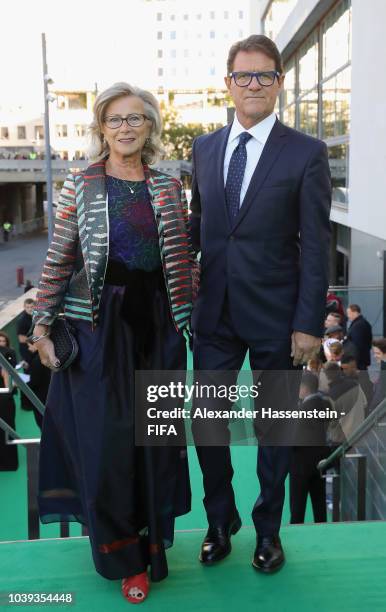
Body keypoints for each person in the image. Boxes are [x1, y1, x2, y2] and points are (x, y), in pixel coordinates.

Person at [31, 82, 198, 604]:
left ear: (150, 126)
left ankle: (152, 549)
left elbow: (184, 257)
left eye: (136, 119)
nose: (126, 128)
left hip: (162, 330)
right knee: (108, 445)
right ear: (101, 128)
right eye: (115, 120)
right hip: (101, 330)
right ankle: (123, 557)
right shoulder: (81, 185)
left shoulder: (169, 187)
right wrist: (40, 325)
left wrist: (193, 315)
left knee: (157, 440)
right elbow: (60, 259)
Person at [189, 34, 331, 573]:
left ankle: (268, 530)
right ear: (228, 84)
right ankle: (220, 517)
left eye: (264, 76)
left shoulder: (306, 152)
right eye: (244, 76)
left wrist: (308, 323)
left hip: (278, 318)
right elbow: (200, 228)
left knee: (275, 425)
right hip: (214, 314)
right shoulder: (203, 148)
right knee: (207, 420)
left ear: (278, 83)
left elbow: (316, 246)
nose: (254, 84)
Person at [289, 372, 331, 524]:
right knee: (319, 505)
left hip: (301, 465)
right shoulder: (324, 404)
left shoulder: (304, 410)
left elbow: (293, 438)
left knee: (297, 508)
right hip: (319, 462)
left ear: (304, 388)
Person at [0, 332, 18, 471]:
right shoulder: (9, 353)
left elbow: (8, 376)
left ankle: (10, 463)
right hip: (5, 398)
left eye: (3, 341)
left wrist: (8, 391)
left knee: (8, 429)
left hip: (5, 399)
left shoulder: (8, 354)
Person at [346, 304, 372, 370]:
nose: (347, 316)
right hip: (361, 359)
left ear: (355, 312)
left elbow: (357, 344)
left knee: (361, 378)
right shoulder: (361, 323)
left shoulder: (358, 325)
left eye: (349, 313)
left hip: (359, 360)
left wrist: (354, 360)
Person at [367, 338, 386, 414]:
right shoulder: (383, 363)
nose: (375, 356)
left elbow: (381, 392)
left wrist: (372, 409)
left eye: (378, 353)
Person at [17, 298, 35, 370]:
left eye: (31, 307)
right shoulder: (22, 320)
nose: (30, 309)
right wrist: (32, 345)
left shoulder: (36, 316)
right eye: (27, 307)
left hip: (35, 346)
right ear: (24, 308)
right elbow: (21, 338)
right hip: (27, 349)